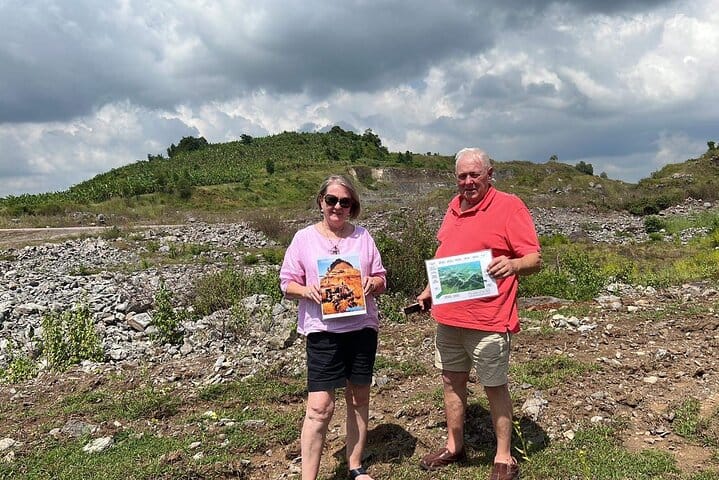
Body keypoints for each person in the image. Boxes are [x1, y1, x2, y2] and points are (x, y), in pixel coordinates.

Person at [417, 148, 541, 480]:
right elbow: (445, 254)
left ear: (490, 174)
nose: (468, 182)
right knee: (451, 381)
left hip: (488, 319)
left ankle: (504, 457)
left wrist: (513, 264)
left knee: (494, 385)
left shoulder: (510, 206)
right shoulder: (453, 207)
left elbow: (534, 258)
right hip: (448, 318)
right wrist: (430, 289)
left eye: (475, 175)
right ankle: (454, 446)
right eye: (462, 176)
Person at [280, 175, 387, 480]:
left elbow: (381, 278)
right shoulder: (303, 238)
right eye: (332, 200)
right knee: (319, 407)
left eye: (345, 202)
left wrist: (373, 283)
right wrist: (306, 291)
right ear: (321, 202)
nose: (337, 206)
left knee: (359, 398)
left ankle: (355, 466)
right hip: (323, 332)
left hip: (361, 328)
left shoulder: (363, 237)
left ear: (352, 206)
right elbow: (286, 283)